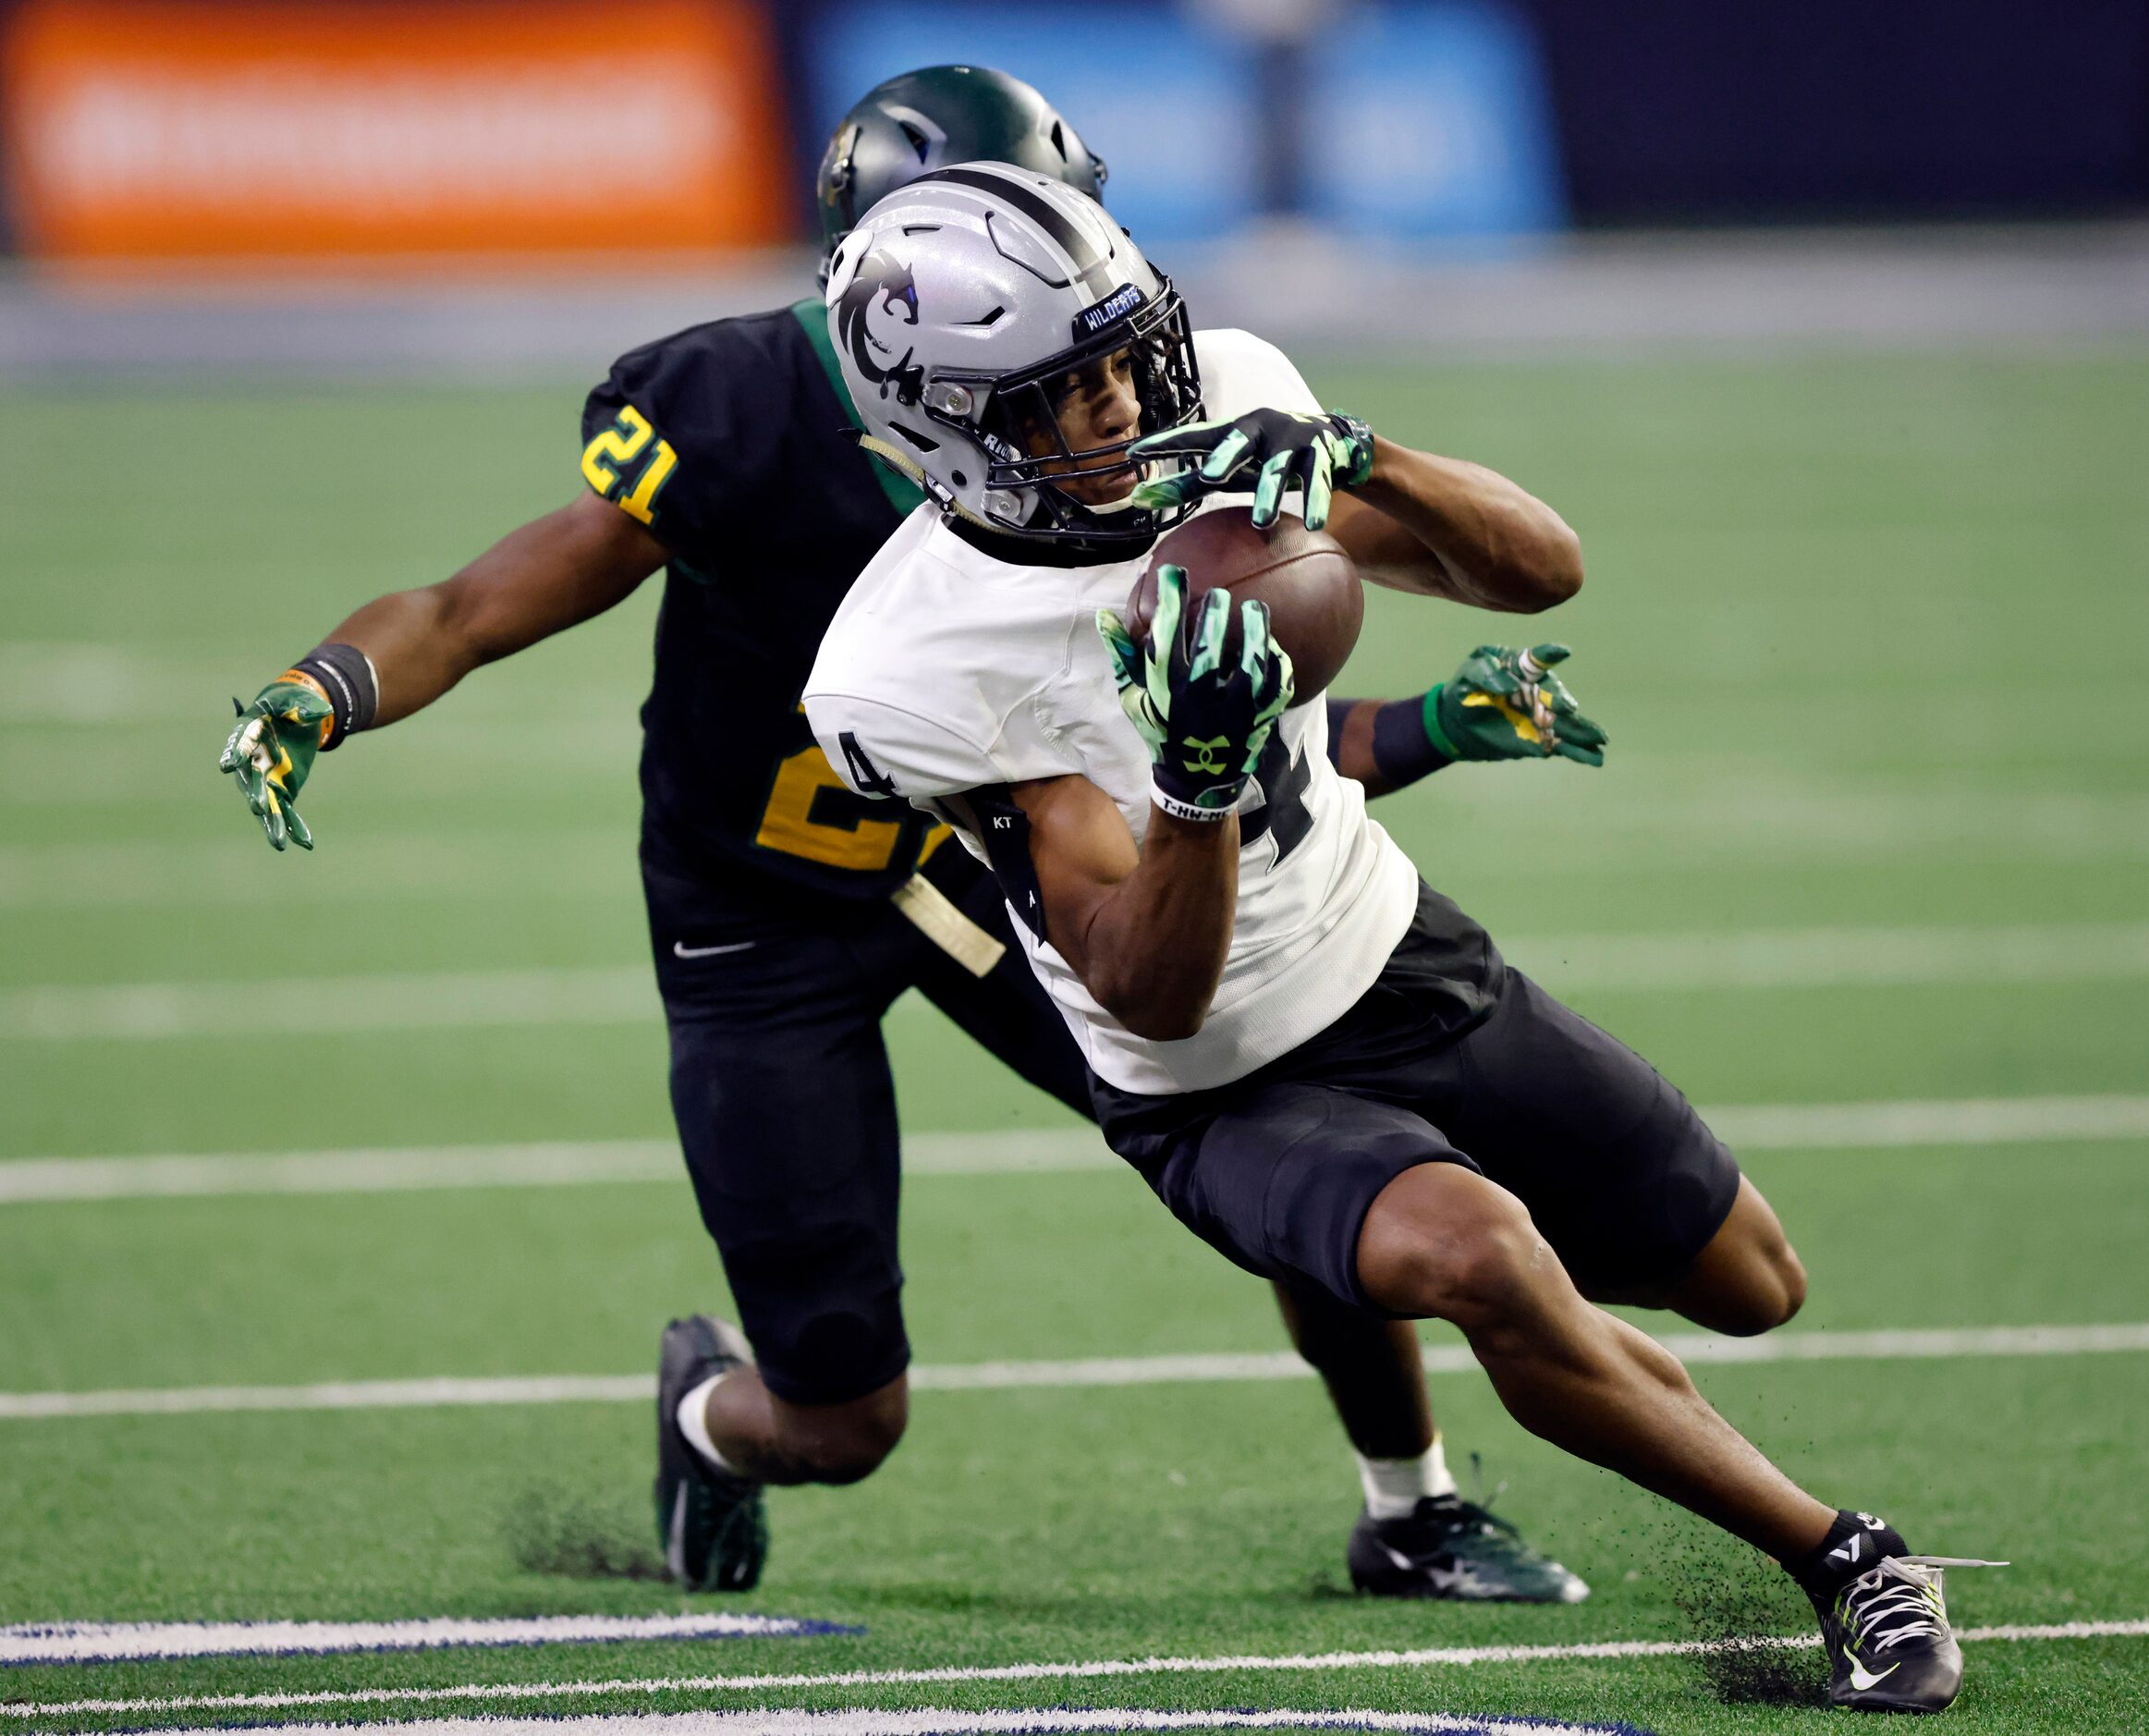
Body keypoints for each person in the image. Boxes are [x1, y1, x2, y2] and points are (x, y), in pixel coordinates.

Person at [215, 67, 1607, 1602]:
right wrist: (323, 688)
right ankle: (712, 1414)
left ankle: (1406, 1501)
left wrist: (1422, 717)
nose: (1078, 340)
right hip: (757, 906)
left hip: (965, 865)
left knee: (1265, 1094)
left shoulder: (1136, 401)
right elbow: (477, 603)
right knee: (840, 1409)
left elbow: (1227, 711)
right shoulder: (734, 407)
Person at [800, 164, 2002, 1714]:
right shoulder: (903, 670)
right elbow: (1152, 995)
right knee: (1475, 1253)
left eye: (1118, 358)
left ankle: (1528, 1366)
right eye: (1052, 396)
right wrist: (1195, 777)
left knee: (1753, 1282)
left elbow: (1538, 565)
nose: (1110, 411)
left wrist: (1368, 459)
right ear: (942, 436)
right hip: (1219, 1079)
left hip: (1393, 947)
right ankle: (1847, 1560)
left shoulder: (1224, 390)